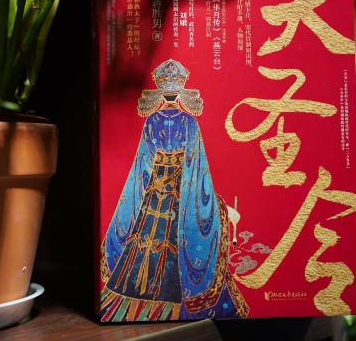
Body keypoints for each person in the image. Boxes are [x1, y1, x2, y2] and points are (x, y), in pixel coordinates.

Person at [101, 59, 247, 321]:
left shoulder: (153, 120)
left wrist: (148, 185)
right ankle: (169, 293)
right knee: (176, 234)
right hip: (179, 186)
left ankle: (142, 290)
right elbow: (195, 163)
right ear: (178, 91)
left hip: (155, 190)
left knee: (148, 234)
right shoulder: (188, 122)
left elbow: (144, 162)